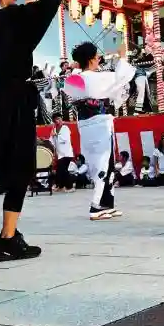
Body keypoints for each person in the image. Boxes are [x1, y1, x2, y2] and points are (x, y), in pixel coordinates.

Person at [0, 0, 72, 261]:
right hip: (12, 98)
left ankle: (9, 235)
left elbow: (19, 32)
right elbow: (40, 16)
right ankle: (7, 239)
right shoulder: (12, 17)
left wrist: (25, 7)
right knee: (21, 165)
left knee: (10, 166)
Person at [65, 40, 135, 220]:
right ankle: (96, 206)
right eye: (96, 56)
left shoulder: (74, 79)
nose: (99, 59)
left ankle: (106, 204)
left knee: (105, 163)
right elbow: (122, 78)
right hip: (100, 124)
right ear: (90, 59)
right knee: (103, 164)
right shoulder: (97, 78)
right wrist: (122, 57)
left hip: (85, 124)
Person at [50, 112, 74, 192]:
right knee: (60, 170)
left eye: (59, 119)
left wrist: (56, 135)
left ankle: (70, 187)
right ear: (54, 121)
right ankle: (61, 186)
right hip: (60, 154)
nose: (58, 121)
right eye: (56, 119)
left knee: (63, 170)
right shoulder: (54, 129)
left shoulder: (65, 128)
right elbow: (52, 141)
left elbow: (65, 139)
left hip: (67, 153)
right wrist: (47, 140)